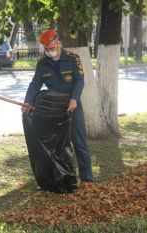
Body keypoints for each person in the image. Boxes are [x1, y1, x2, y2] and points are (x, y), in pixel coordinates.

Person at [23, 29, 94, 183]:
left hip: (72, 105)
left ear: (59, 43)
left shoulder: (73, 59)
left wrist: (74, 99)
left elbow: (79, 81)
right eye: (47, 49)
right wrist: (27, 101)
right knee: (56, 144)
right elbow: (35, 84)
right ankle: (61, 178)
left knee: (79, 141)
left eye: (52, 48)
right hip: (54, 109)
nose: (50, 52)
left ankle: (87, 178)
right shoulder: (42, 64)